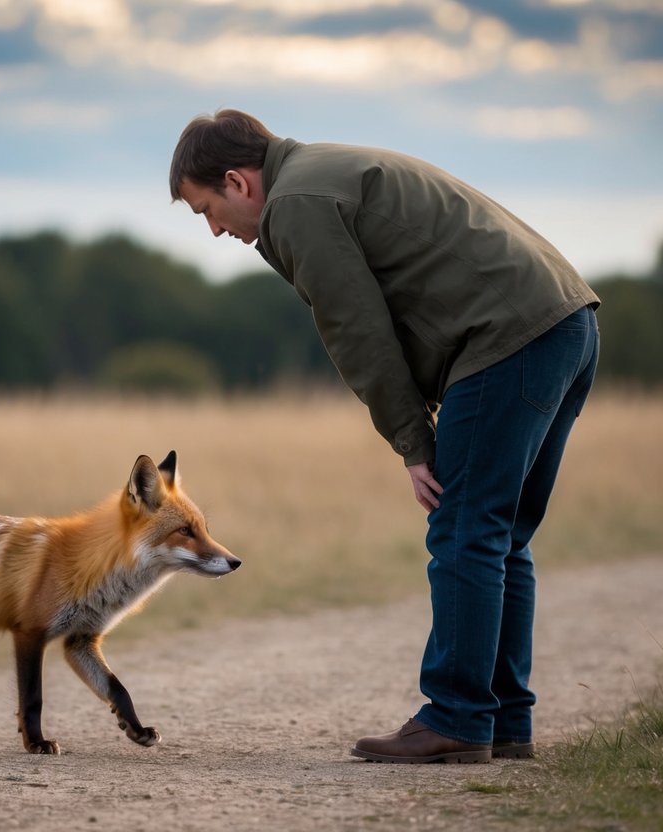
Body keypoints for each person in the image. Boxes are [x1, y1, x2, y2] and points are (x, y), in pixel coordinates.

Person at [169, 109, 600, 764]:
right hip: (563, 324)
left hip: (504, 340)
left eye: (207, 209)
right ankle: (503, 721)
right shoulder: (324, 169)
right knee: (498, 534)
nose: (214, 230)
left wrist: (410, 440)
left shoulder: (297, 204)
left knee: (464, 530)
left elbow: (355, 328)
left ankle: (456, 717)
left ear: (237, 181)